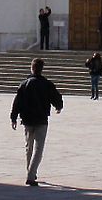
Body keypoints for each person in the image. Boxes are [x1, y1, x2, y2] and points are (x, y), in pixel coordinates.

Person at [10, 57, 63, 187]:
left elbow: (17, 102)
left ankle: (31, 172)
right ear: (41, 69)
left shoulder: (24, 84)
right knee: (38, 149)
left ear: (32, 68)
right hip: (41, 120)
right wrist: (59, 106)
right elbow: (56, 97)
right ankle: (31, 175)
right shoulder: (47, 84)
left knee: (29, 147)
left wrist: (13, 117)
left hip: (27, 120)